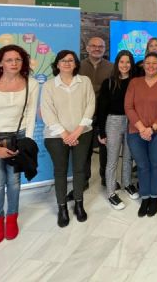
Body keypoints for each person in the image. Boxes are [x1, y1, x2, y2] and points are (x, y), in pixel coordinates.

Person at [0, 45, 40, 243]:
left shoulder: (32, 83)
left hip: (18, 138)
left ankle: (12, 218)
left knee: (14, 182)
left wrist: (26, 142)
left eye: (18, 60)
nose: (14, 63)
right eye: (9, 60)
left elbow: (30, 115)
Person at [41, 50, 96, 227]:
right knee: (60, 171)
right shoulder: (49, 86)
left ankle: (79, 204)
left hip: (82, 133)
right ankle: (62, 207)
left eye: (70, 60)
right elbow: (47, 113)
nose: (67, 63)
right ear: (57, 64)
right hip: (56, 137)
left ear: (76, 64)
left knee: (80, 169)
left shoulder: (85, 81)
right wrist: (65, 134)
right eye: (63, 60)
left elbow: (90, 105)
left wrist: (77, 131)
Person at [124, 52, 157, 217]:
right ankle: (145, 197)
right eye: (147, 63)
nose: (151, 66)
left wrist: (152, 128)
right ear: (143, 65)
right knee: (143, 166)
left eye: (154, 63)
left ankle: (154, 197)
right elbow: (128, 107)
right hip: (136, 132)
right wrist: (142, 128)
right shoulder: (134, 83)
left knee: (156, 164)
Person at [97, 50, 138, 210]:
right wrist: (101, 131)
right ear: (117, 64)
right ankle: (111, 193)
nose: (125, 65)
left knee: (128, 157)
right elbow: (102, 108)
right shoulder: (109, 82)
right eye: (122, 62)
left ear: (131, 64)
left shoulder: (136, 82)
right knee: (112, 159)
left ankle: (127, 183)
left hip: (132, 121)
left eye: (128, 62)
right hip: (113, 121)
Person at [79, 37, 114, 192]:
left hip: (104, 114)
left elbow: (112, 89)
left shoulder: (112, 67)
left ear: (105, 49)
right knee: (84, 150)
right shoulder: (77, 66)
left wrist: (91, 88)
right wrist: (100, 87)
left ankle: (106, 178)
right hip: (82, 115)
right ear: (87, 48)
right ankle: (84, 179)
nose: (97, 48)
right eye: (93, 46)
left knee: (105, 148)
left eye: (101, 46)